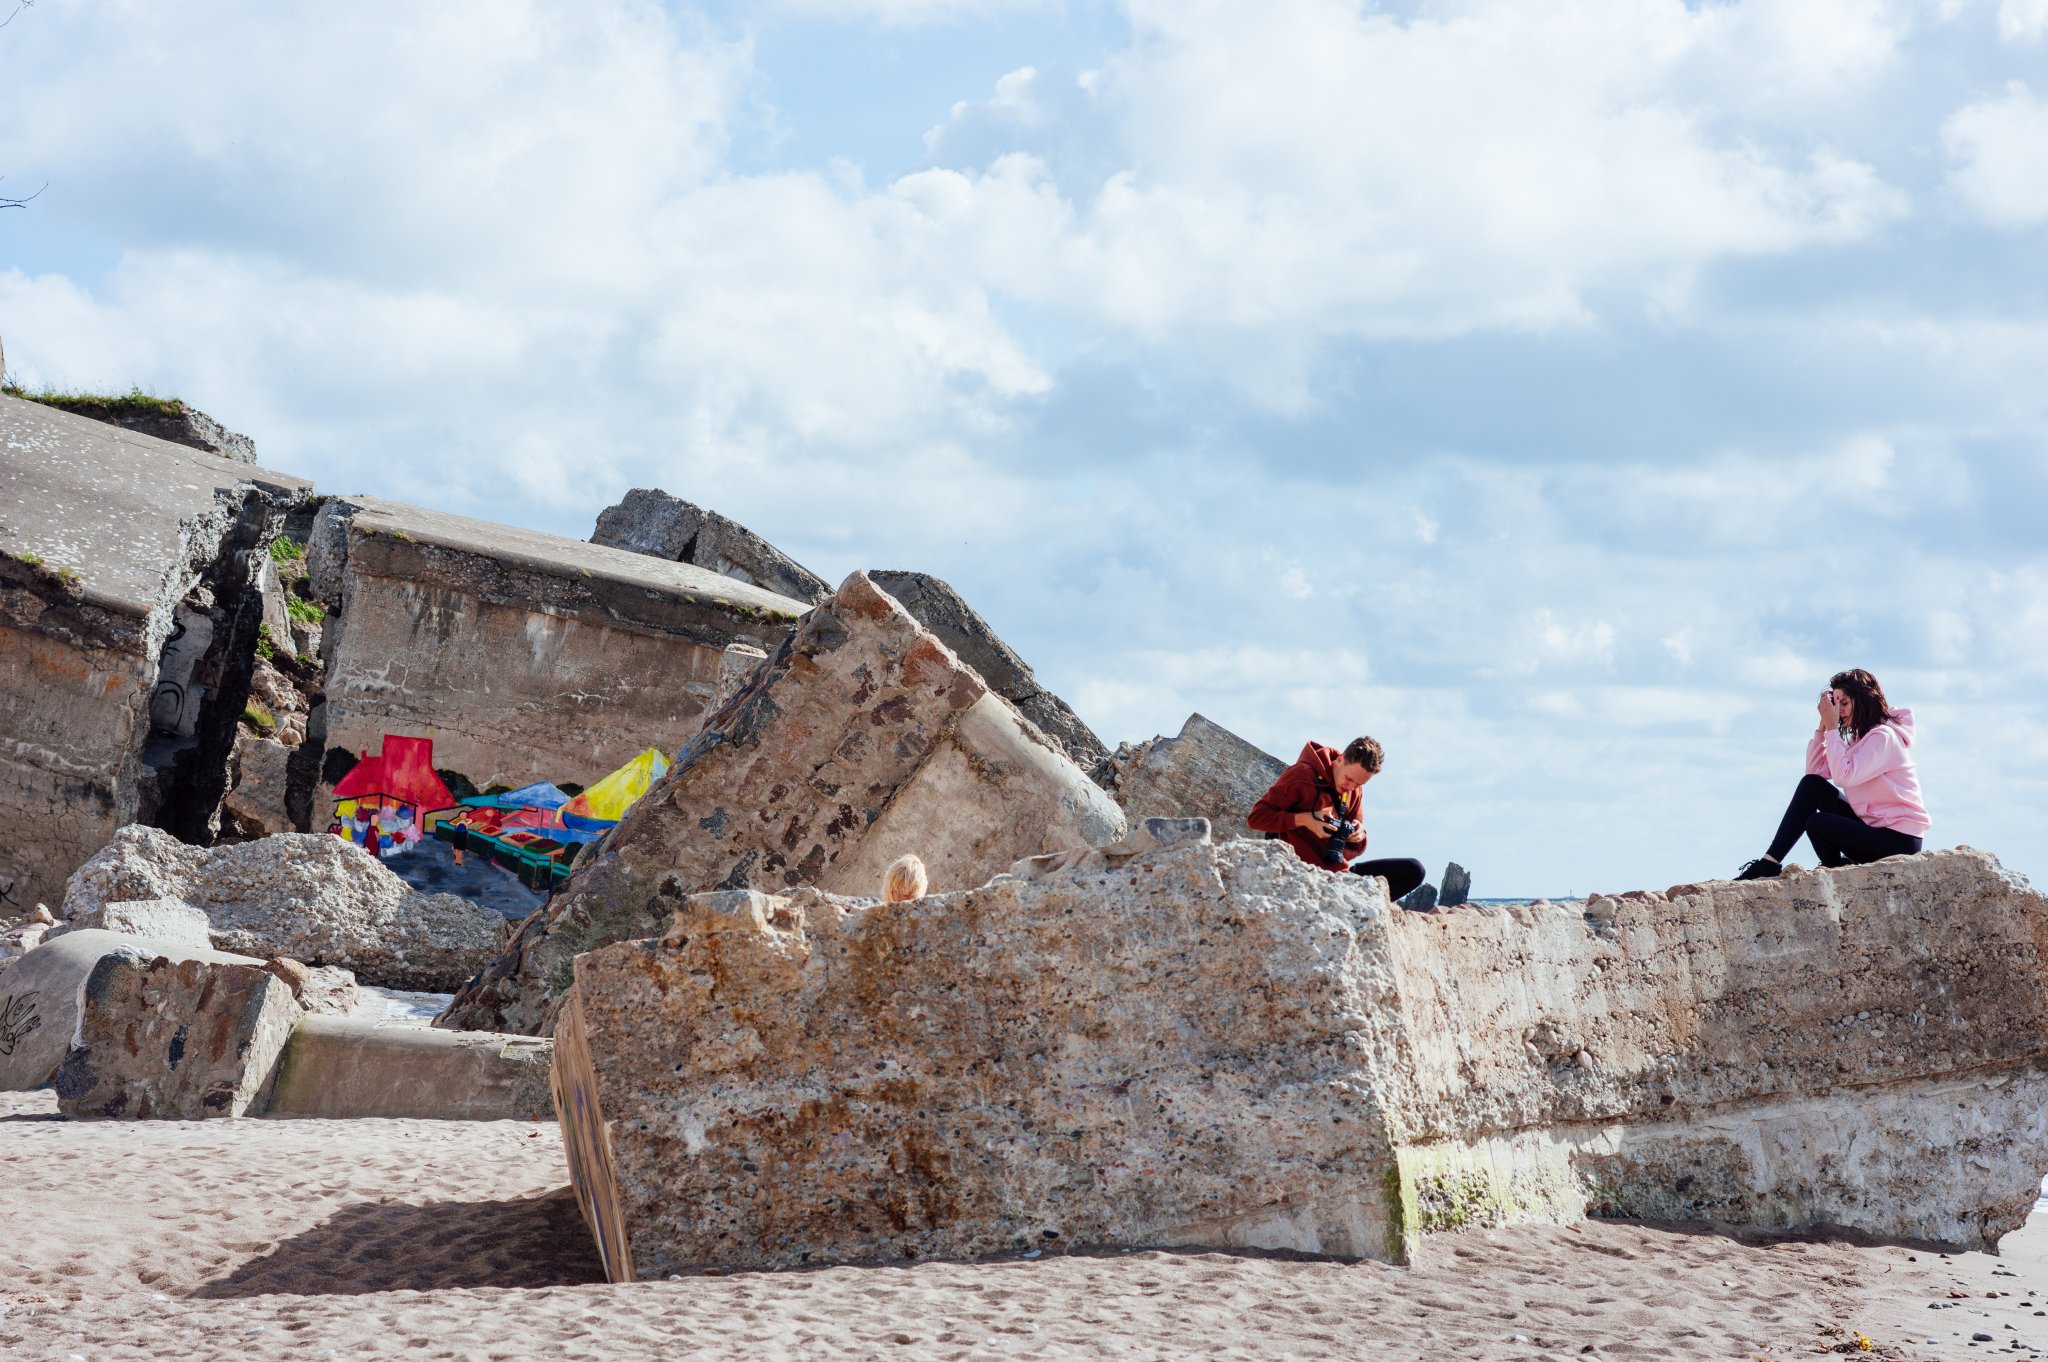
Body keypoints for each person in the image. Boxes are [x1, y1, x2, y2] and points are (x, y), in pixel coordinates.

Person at [1734, 668, 1928, 880]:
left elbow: (1844, 776)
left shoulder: (1884, 737)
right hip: (1873, 828)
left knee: (1819, 824)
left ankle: (1836, 869)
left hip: (1899, 840)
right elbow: (1814, 773)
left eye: (1844, 704)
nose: (1839, 711)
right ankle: (1770, 862)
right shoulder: (1858, 739)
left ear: (1863, 700)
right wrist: (1823, 727)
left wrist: (1832, 730)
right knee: (1811, 786)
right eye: (1836, 705)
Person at [1248, 735, 1428, 902]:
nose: (1351, 787)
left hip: (1338, 877)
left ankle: (1360, 913)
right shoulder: (1301, 775)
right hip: (1300, 875)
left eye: (1359, 783)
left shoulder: (1354, 790)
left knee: (1414, 870)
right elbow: (1256, 818)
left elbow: (1354, 847)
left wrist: (1359, 835)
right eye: (1349, 779)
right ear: (1340, 759)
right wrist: (1305, 820)